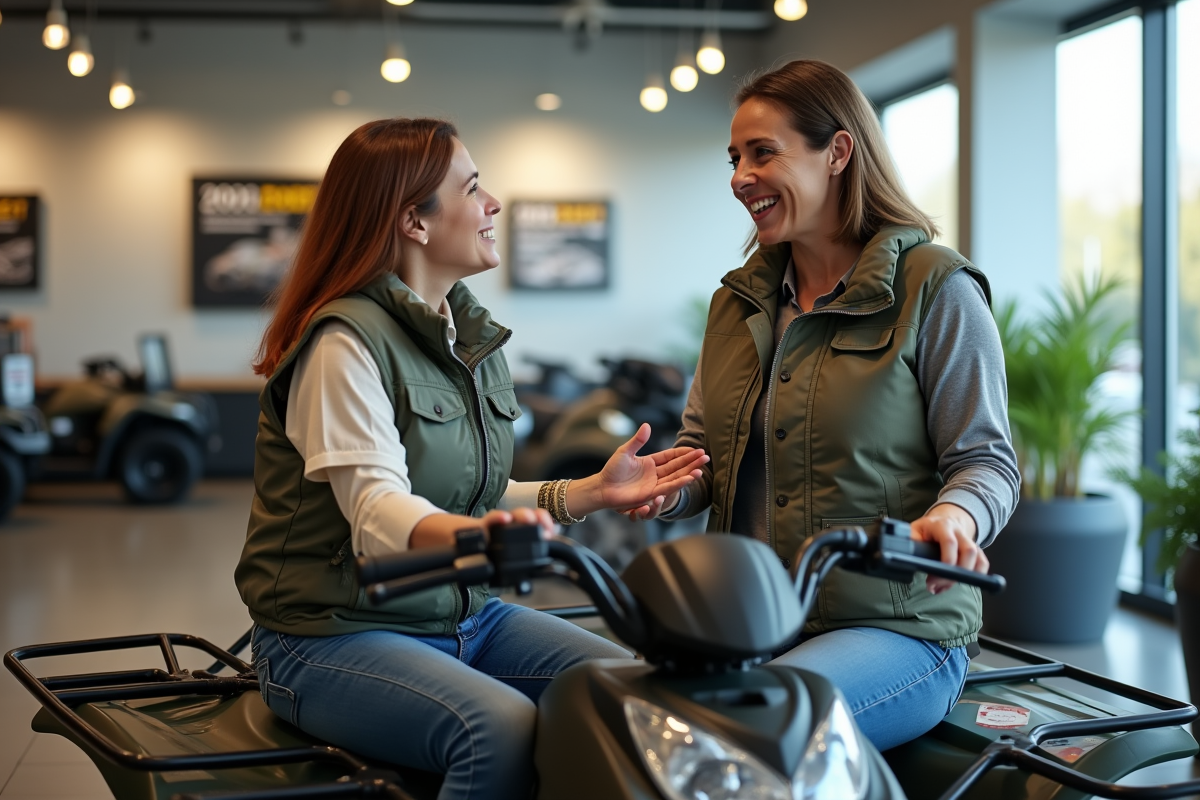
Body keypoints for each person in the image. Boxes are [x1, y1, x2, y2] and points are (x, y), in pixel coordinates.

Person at [235, 117, 708, 800]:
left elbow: (474, 494)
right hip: (327, 637)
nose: (493, 206)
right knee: (500, 730)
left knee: (636, 691)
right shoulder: (343, 343)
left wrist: (593, 492)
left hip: (465, 617)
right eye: (473, 188)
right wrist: (477, 536)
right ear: (414, 223)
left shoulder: (462, 337)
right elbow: (376, 511)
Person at [636, 60, 1021, 752]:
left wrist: (951, 515)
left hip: (898, 630)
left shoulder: (936, 287)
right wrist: (660, 489)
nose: (739, 177)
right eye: (734, 158)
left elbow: (986, 461)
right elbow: (704, 454)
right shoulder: (737, 303)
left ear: (838, 152)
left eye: (763, 153)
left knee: (751, 734)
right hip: (749, 620)